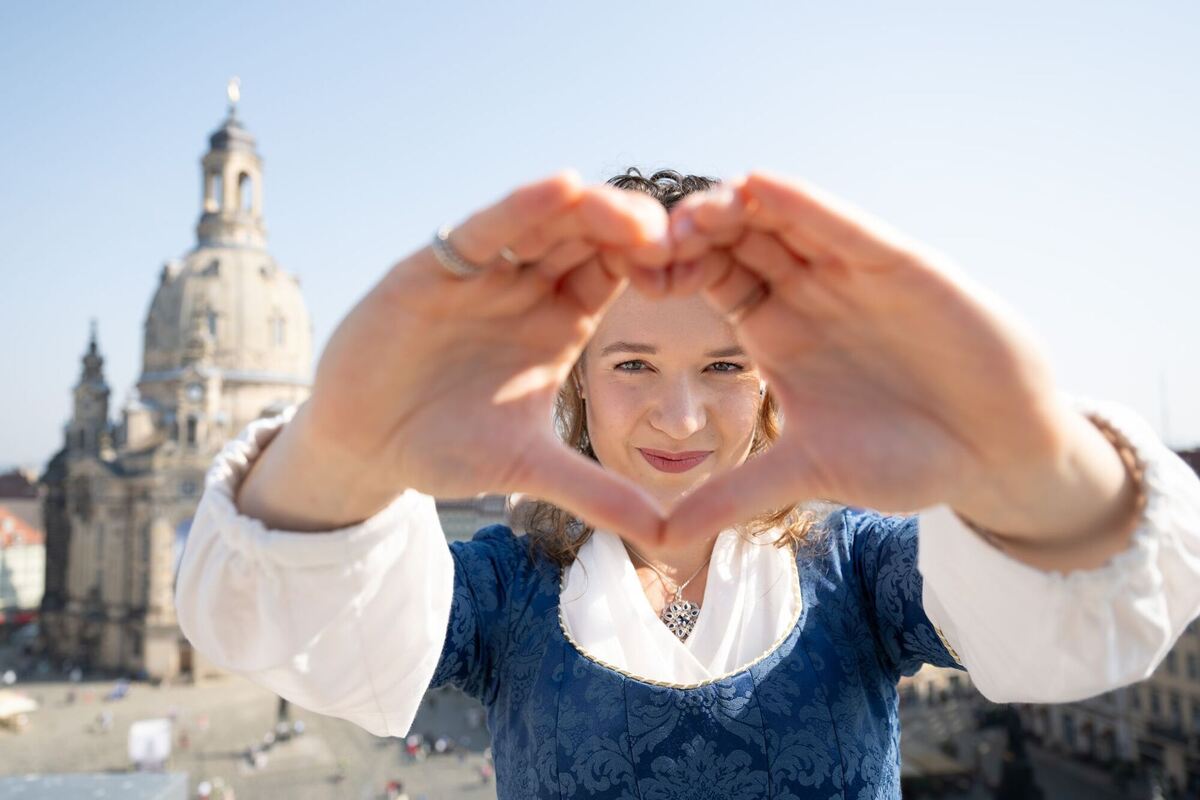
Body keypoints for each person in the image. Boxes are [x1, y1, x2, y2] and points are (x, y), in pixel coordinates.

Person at [175, 168, 1200, 798]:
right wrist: (347, 447)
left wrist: (1021, 452)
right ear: (576, 378)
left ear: (775, 383)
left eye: (724, 365)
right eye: (633, 366)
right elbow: (300, 630)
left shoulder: (862, 565)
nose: (682, 415)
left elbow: (1072, 625)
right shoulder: (503, 587)